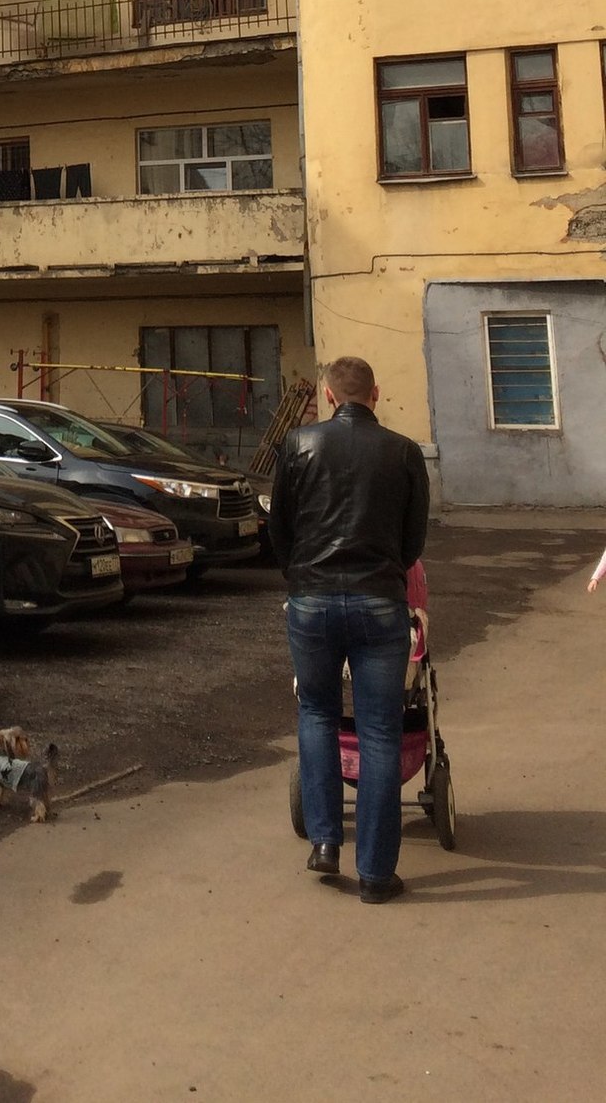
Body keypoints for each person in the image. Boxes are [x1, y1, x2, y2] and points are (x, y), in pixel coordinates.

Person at [269, 354, 430, 906]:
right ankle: (377, 875)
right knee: (380, 730)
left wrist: (302, 576)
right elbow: (413, 542)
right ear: (376, 394)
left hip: (311, 599)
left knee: (316, 711)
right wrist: (383, 574)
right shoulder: (404, 452)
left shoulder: (297, 444)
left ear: (330, 396)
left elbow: (280, 529)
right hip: (380, 600)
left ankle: (324, 843)